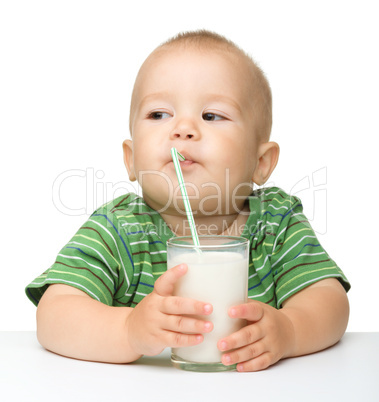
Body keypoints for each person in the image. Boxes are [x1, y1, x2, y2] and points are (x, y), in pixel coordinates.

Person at [25, 30, 350, 372]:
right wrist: (127, 330)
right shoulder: (120, 227)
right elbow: (53, 313)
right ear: (131, 158)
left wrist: (290, 331)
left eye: (211, 116)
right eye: (158, 114)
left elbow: (329, 300)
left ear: (261, 163)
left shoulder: (275, 223)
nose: (182, 129)